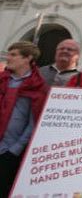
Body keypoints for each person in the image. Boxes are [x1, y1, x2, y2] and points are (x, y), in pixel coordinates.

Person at [0, 42, 48, 196]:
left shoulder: (37, 85)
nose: (8, 58)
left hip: (9, 151)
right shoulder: (2, 79)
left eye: (13, 55)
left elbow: (34, 121)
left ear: (28, 58)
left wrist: (15, 150)